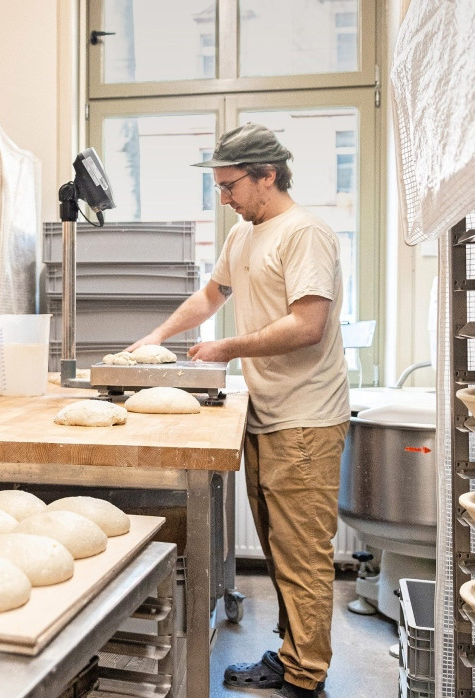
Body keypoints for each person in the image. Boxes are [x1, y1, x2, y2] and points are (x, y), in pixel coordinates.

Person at [128, 123, 349, 698]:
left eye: (230, 186)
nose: (223, 197)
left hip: (306, 419)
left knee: (302, 554)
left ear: (267, 176)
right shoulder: (243, 234)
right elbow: (210, 296)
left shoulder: (305, 234)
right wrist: (153, 339)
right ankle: (292, 655)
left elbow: (308, 325)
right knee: (281, 549)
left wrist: (226, 347)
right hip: (267, 412)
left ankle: (305, 678)